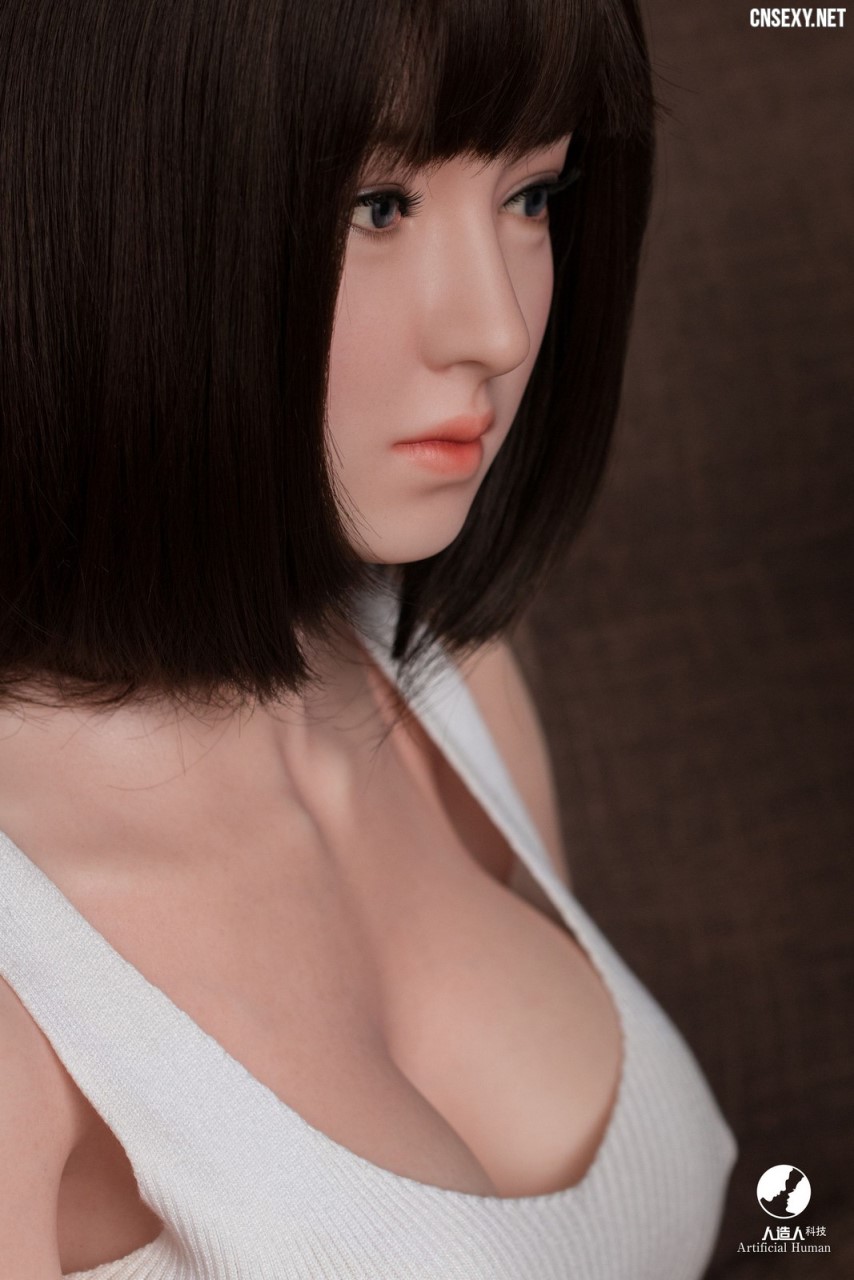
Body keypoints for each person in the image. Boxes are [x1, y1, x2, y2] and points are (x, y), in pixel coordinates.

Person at [0, 0, 738, 1276]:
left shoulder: (450, 685)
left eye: (530, 196)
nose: (496, 329)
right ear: (124, 210)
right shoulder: (30, 972)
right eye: (379, 207)